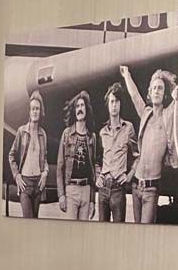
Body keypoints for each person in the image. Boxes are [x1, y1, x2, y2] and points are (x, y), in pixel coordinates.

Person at [119, 65, 178, 223]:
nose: (157, 91)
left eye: (160, 88)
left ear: (165, 94)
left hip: (151, 188)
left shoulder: (168, 116)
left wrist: (176, 91)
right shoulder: (145, 114)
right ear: (150, 93)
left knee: (146, 231)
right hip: (136, 185)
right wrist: (127, 75)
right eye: (154, 88)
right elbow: (134, 96)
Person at [95, 83, 138, 222]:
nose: (114, 105)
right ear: (108, 105)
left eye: (117, 101)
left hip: (118, 189)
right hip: (103, 188)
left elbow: (138, 156)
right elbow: (97, 160)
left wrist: (129, 175)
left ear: (120, 104)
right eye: (112, 102)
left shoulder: (128, 128)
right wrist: (98, 175)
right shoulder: (102, 132)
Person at [7, 90, 49, 218]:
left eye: (37, 108)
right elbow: (11, 155)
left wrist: (45, 173)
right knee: (27, 219)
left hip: (38, 185)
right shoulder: (22, 131)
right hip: (25, 183)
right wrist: (17, 176)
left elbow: (45, 159)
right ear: (29, 112)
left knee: (35, 220)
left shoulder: (43, 134)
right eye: (32, 109)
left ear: (40, 111)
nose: (35, 111)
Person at [57, 91, 97, 220]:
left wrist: (92, 201)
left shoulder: (92, 137)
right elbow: (60, 167)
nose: (80, 109)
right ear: (74, 111)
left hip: (86, 190)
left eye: (82, 106)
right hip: (71, 190)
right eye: (77, 106)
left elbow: (93, 173)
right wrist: (61, 195)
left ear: (87, 109)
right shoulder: (67, 134)